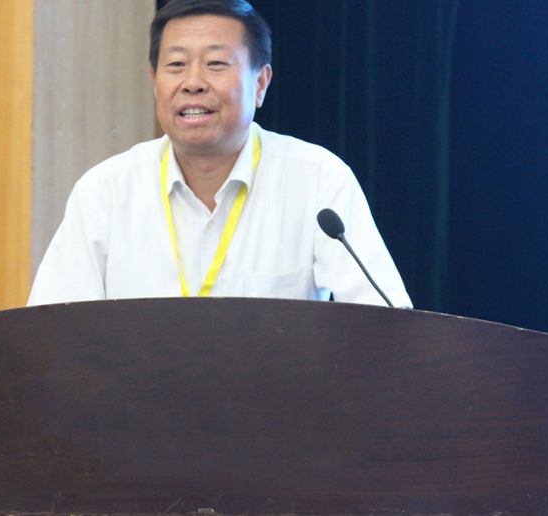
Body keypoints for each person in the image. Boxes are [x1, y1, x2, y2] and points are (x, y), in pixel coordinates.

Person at [28, 0, 412, 308]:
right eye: (176, 65)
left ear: (260, 83)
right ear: (154, 81)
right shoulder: (105, 192)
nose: (193, 82)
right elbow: (51, 335)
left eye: (215, 64)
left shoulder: (318, 180)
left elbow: (386, 329)